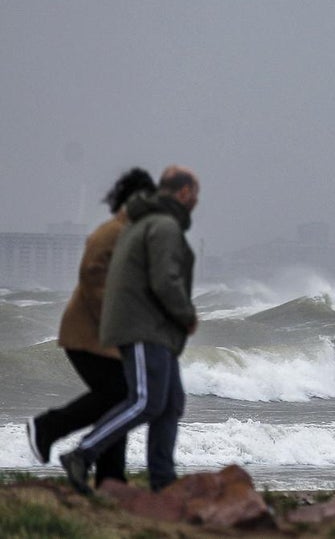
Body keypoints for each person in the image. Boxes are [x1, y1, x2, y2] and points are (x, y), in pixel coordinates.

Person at [60, 165, 200, 494]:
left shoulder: (147, 222)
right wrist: (185, 314)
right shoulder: (162, 225)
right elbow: (165, 280)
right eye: (195, 193)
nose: (197, 200)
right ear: (183, 192)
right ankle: (82, 454)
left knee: (170, 403)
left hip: (154, 328)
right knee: (146, 401)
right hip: (144, 327)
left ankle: (163, 482)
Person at [26, 168, 157, 486]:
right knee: (120, 394)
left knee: (119, 400)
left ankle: (111, 478)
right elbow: (91, 276)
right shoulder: (111, 232)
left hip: (108, 339)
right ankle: (46, 427)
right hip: (87, 335)